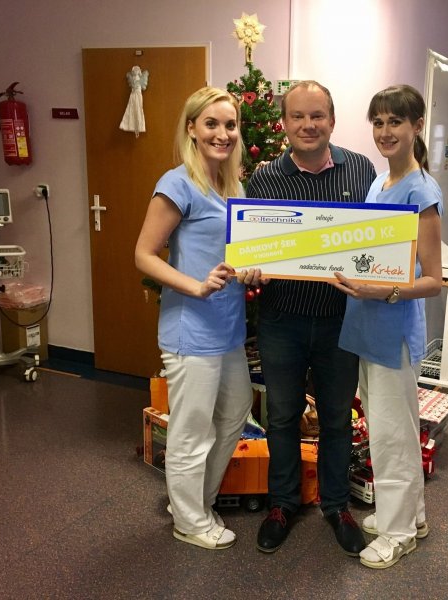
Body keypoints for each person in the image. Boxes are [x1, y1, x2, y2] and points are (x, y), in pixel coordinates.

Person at [246, 81, 377, 555]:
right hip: (281, 319)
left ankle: (336, 506)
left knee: (337, 419)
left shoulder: (360, 170)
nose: (308, 125)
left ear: (332, 120)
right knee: (282, 416)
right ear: (283, 123)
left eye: (317, 115)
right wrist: (251, 267)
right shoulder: (264, 179)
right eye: (298, 116)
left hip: (341, 321)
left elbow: (375, 237)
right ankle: (282, 504)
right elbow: (251, 246)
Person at [134, 86, 261, 550]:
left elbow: (239, 253)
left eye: (230, 125)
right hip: (191, 328)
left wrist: (253, 268)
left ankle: (193, 502)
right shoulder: (177, 184)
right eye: (211, 124)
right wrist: (195, 285)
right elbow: (144, 255)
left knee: (236, 410)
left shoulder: (233, 186)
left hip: (228, 329)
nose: (222, 134)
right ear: (191, 128)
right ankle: (189, 521)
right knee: (191, 431)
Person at [332, 84, 443, 569]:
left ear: (417, 126)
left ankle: (398, 533)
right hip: (366, 328)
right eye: (377, 122)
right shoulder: (379, 183)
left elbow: (434, 280)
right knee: (387, 429)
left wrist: (382, 291)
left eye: (395, 121)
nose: (384, 131)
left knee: (393, 437)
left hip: (393, 332)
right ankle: (411, 515)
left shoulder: (421, 192)